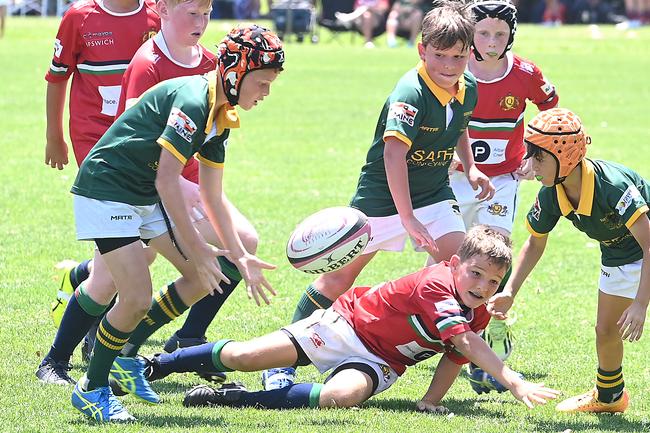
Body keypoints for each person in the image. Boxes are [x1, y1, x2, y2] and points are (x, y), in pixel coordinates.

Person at [261, 0, 494, 390]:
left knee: (466, 268)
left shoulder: (466, 86)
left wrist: (469, 166)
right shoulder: (411, 91)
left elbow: (460, 126)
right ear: (422, 49)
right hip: (383, 198)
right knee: (337, 282)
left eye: (458, 56)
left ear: (469, 53)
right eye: (440, 56)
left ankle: (476, 358)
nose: (450, 65)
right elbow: (393, 154)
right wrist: (406, 218)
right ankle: (282, 361)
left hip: (433, 193)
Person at [66, 25, 283, 422]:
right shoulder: (194, 99)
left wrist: (239, 255)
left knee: (206, 278)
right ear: (237, 71)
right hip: (108, 188)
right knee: (135, 298)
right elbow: (168, 179)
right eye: (263, 83)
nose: (266, 93)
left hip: (141, 194)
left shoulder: (223, 114)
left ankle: (126, 355)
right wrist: (198, 248)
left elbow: (212, 196)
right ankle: (92, 388)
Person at [38, 0, 260, 388]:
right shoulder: (148, 61)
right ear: (163, 11)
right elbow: (138, 138)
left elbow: (207, 145)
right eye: (192, 13)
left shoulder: (214, 65)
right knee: (112, 281)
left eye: (206, 14)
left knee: (238, 244)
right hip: (140, 180)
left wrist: (197, 193)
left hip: (174, 180)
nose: (201, 22)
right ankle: (56, 360)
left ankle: (173, 341)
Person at [142, 226, 560, 412]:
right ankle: (153, 366)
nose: (484, 286)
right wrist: (514, 380)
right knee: (245, 357)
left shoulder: (479, 309)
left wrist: (430, 401)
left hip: (381, 362)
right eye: (476, 273)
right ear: (454, 264)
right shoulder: (435, 284)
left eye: (493, 281)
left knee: (338, 398)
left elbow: (455, 356)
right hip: (346, 325)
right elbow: (466, 343)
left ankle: (233, 399)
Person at [488, 107, 650, 413]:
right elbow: (535, 244)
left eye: (538, 157)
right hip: (619, 255)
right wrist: (510, 290)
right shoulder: (552, 192)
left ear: (567, 155)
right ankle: (610, 397)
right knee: (606, 330)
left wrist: (641, 303)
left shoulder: (612, 186)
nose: (530, 165)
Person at [38, 0, 160, 385]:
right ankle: (57, 360)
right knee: (118, 263)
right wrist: (54, 135)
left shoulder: (161, 15)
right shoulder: (79, 17)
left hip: (144, 148)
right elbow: (57, 77)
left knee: (139, 253)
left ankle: (83, 284)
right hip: (97, 146)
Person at [447, 0, 559, 393]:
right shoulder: (454, 68)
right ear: (470, 33)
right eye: (483, 33)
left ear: (512, 33)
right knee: (452, 256)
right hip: (456, 178)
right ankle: (452, 331)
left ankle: (490, 331)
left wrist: (535, 155)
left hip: (504, 179)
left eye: (500, 33)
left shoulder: (526, 73)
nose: (492, 41)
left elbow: (550, 111)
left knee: (495, 255)